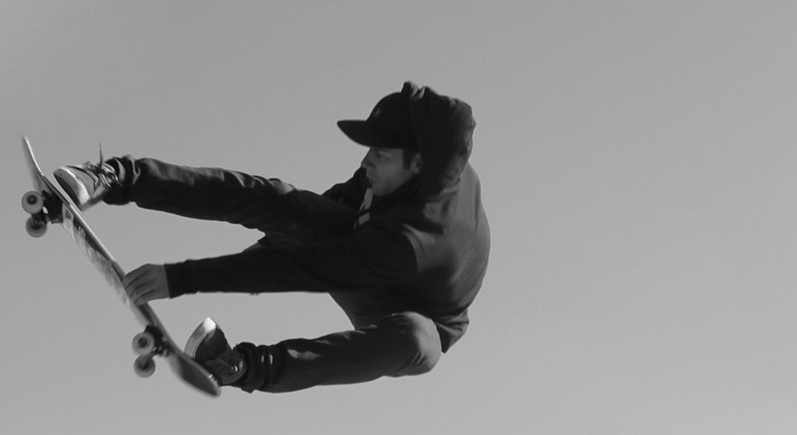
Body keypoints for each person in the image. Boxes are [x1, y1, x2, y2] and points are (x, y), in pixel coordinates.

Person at [53, 81, 488, 393]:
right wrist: (273, 238)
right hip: (365, 252)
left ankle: (241, 365)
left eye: (380, 154)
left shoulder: (418, 236)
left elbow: (306, 269)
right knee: (281, 201)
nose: (366, 162)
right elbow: (325, 212)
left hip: (409, 310)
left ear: (417, 164)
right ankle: (116, 177)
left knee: (416, 340)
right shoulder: (408, 164)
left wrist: (181, 277)